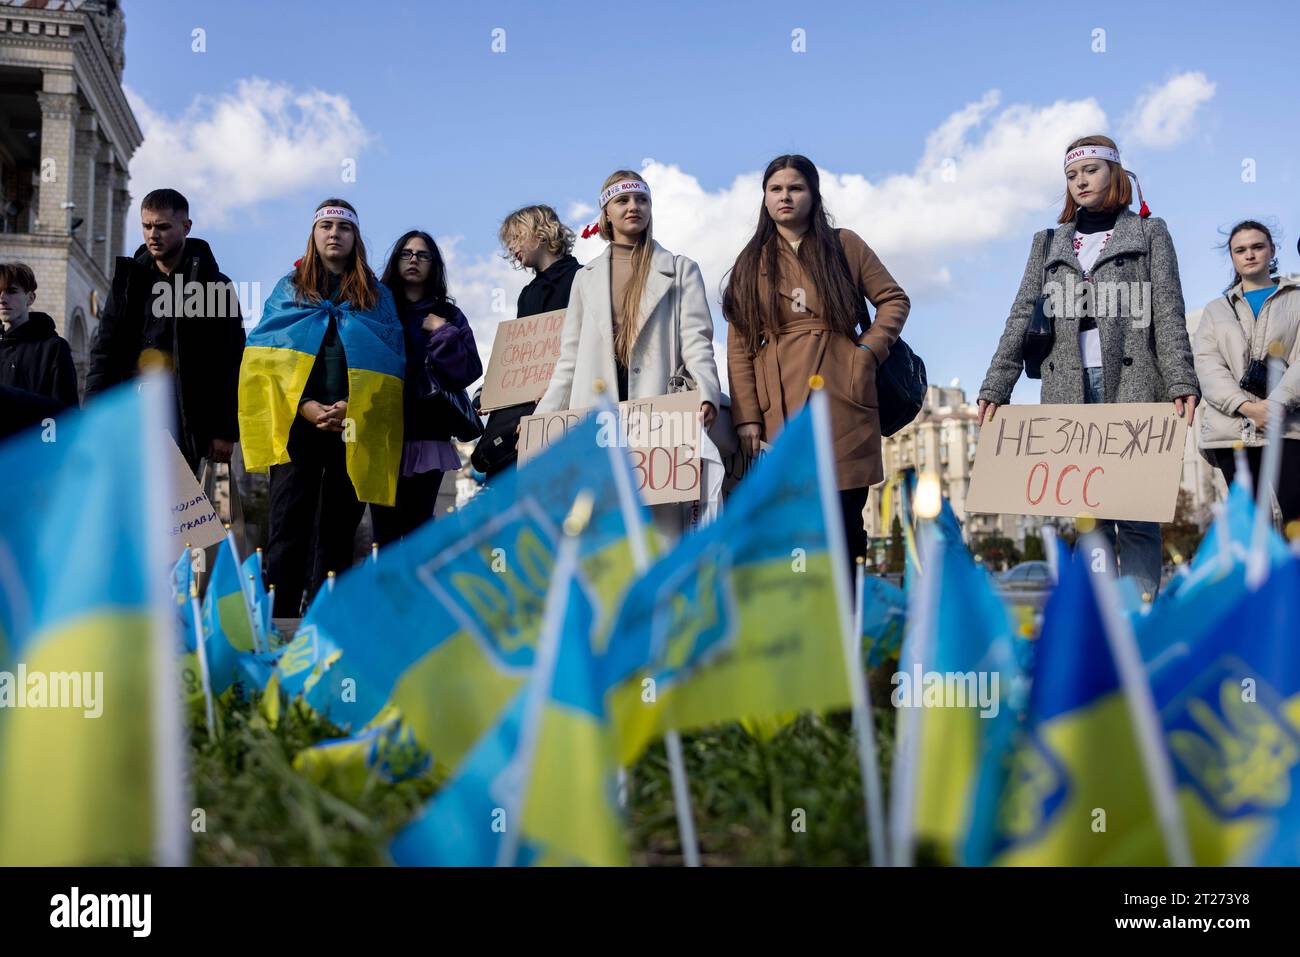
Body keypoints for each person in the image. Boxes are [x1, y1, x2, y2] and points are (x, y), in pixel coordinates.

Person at [978, 134, 1200, 598]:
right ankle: (1092, 625)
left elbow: (1168, 310)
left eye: (1091, 170)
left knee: (1137, 515)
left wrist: (1181, 378)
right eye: (1072, 175)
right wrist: (996, 386)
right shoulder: (1047, 243)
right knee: (1090, 516)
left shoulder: (1149, 232)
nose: (1080, 181)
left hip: (1136, 383)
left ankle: (1138, 620)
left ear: (1115, 174)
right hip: (1068, 391)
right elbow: (1021, 314)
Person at [723, 154, 910, 571]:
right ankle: (801, 630)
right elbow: (739, 345)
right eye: (776, 189)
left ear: (813, 194)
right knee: (790, 532)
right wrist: (748, 417)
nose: (785, 196)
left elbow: (893, 300)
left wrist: (866, 354)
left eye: (796, 188)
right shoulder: (750, 261)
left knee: (844, 528)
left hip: (843, 399)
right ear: (765, 199)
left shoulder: (845, 245)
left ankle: (848, 625)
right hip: (778, 410)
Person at [238, 198, 405, 616]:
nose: (334, 233)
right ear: (313, 236)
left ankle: (326, 624)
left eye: (343, 228)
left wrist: (351, 405)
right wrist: (308, 406)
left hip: (353, 426)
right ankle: (278, 622)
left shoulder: (377, 297)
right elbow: (265, 356)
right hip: (298, 426)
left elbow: (391, 359)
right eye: (326, 226)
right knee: (287, 526)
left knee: (339, 530)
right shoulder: (288, 289)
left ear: (355, 238)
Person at [535, 171, 721, 533]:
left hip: (658, 411)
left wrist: (707, 391)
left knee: (658, 528)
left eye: (642, 200)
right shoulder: (584, 278)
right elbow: (569, 358)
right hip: (597, 412)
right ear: (605, 213)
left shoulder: (681, 269)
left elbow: (697, 338)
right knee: (601, 527)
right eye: (622, 200)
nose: (634, 207)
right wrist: (544, 419)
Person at [84, 188, 244, 472]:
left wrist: (225, 430)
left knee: (178, 513)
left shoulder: (215, 285)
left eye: (162, 227)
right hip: (130, 415)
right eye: (146, 226)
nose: (152, 235)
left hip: (186, 422)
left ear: (186, 227)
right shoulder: (128, 282)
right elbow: (104, 351)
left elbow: (230, 360)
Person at [372, 230, 482, 545]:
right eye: (406, 253)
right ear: (396, 261)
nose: (414, 260)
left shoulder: (448, 314)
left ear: (433, 265)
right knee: (385, 533)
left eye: (422, 255)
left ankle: (414, 595)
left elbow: (468, 370)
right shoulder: (376, 310)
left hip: (427, 436)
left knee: (419, 529)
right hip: (381, 435)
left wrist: (442, 331)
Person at [1193, 220, 1300, 526]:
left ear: (1272, 250)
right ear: (1232, 257)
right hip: (1233, 431)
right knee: (1253, 525)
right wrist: (1246, 407)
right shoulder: (1216, 310)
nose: (1249, 255)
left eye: (1257, 247)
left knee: (1296, 517)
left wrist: (1275, 405)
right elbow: (1207, 365)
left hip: (1288, 428)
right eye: (1240, 250)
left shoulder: (1297, 298)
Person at [472, 206, 582, 480]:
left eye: (516, 237)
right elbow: (523, 351)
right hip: (520, 414)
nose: (512, 248)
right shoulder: (527, 294)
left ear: (541, 233)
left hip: (561, 407)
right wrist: (493, 391)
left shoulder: (582, 279)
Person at [0, 262, 79, 409]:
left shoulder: (54, 348)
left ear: (30, 298)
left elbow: (66, 414)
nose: (2, 299)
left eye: (11, 291)